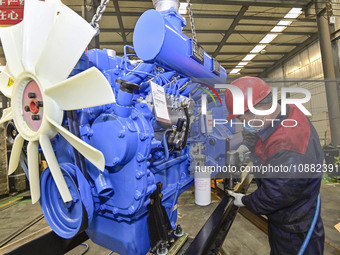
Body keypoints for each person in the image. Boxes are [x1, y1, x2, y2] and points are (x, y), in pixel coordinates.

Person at [225, 77, 324, 255]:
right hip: (292, 209)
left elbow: (277, 194)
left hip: (294, 224)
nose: (243, 123)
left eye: (241, 117)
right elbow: (254, 132)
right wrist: (245, 147)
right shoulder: (282, 111)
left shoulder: (289, 143)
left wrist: (245, 200)